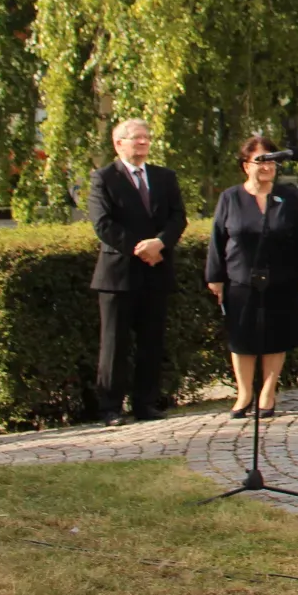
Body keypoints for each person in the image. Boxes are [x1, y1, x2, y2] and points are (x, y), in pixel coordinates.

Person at [205, 134, 298, 418]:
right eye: (260, 161)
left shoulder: (287, 197)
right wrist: (215, 277)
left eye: (271, 161)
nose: (266, 167)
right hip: (240, 279)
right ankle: (244, 394)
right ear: (246, 165)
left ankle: (268, 392)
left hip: (281, 278)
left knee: (277, 335)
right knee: (242, 338)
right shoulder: (230, 197)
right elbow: (217, 239)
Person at [86, 119, 187, 426]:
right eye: (136, 138)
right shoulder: (104, 178)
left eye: (146, 137)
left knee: (151, 342)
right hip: (118, 274)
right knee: (115, 343)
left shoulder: (164, 177)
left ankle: (146, 403)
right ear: (119, 143)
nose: (143, 143)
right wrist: (139, 248)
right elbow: (103, 224)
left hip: (156, 270)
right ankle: (110, 408)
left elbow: (178, 217)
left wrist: (160, 243)